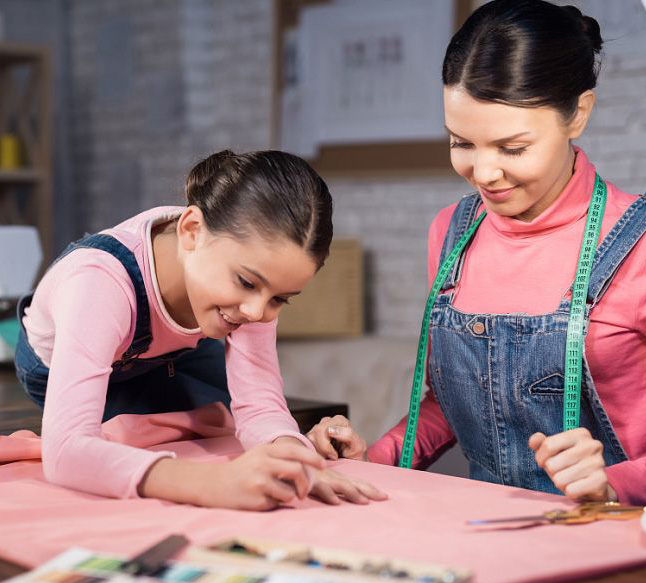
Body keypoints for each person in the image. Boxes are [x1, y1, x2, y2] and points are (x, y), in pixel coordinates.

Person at [307, 0, 646, 506]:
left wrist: (610, 484)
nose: (485, 172)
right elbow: (456, 406)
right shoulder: (451, 233)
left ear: (577, 114)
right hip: (484, 528)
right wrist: (373, 460)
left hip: (612, 535)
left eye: (512, 148)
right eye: (460, 143)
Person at [15, 148, 386, 510]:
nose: (257, 312)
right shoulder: (98, 283)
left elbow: (259, 405)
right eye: (246, 282)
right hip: (72, 359)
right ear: (191, 231)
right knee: (119, 440)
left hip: (177, 349)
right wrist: (212, 483)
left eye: (280, 299)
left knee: (222, 425)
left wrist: (293, 457)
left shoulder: (242, 288)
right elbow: (65, 452)